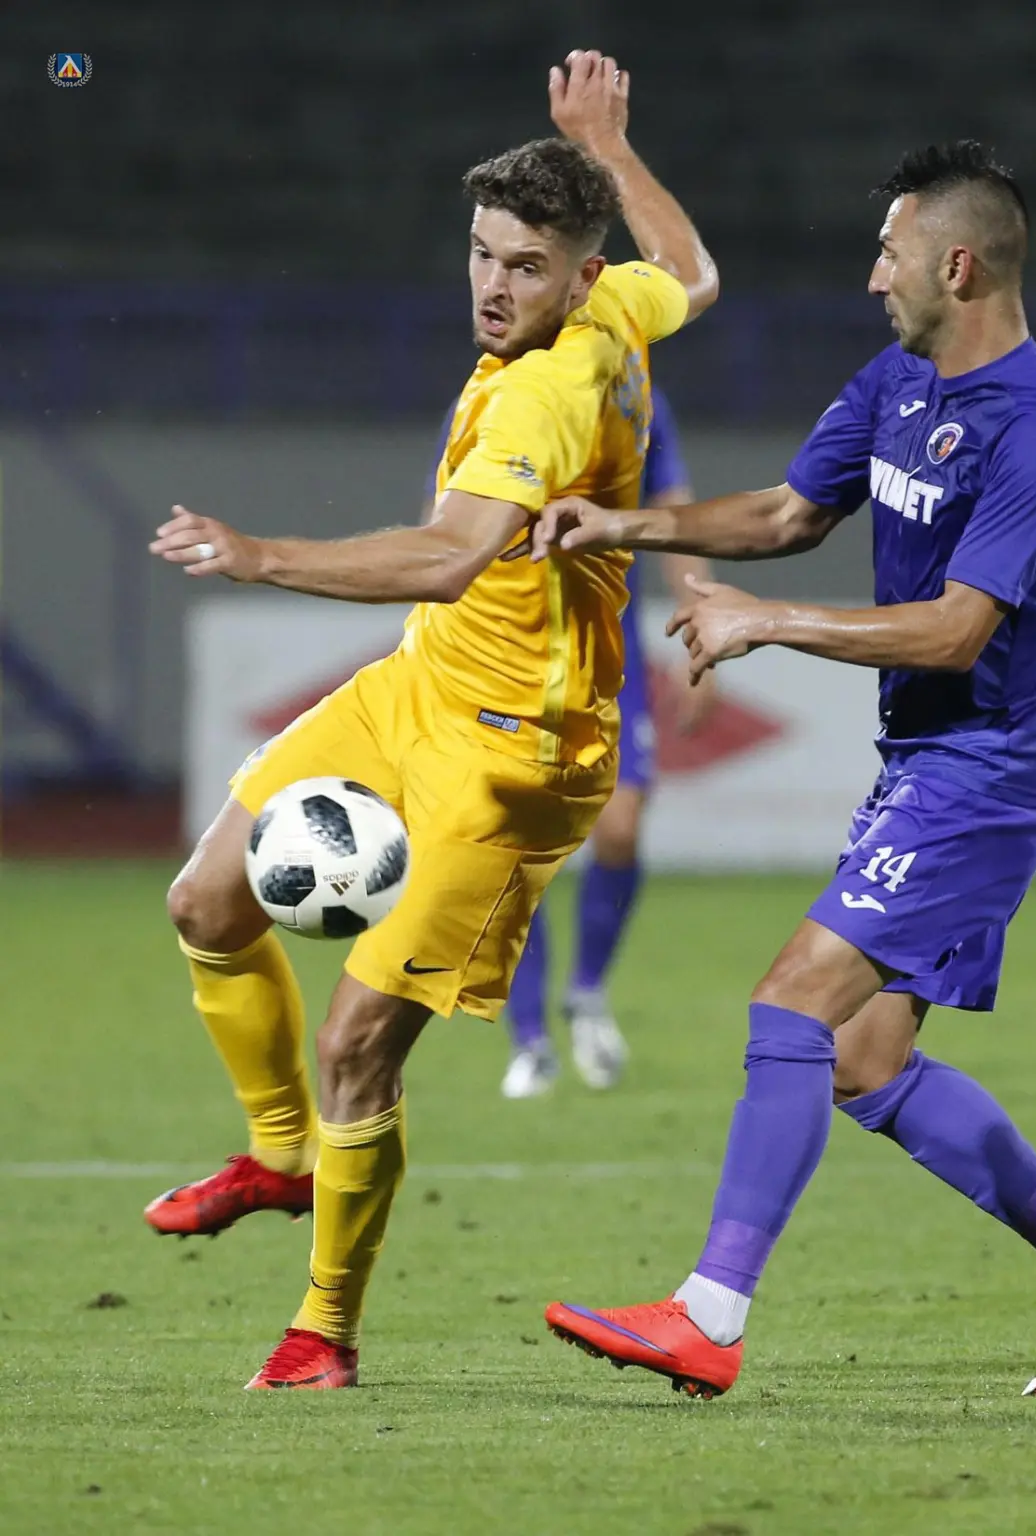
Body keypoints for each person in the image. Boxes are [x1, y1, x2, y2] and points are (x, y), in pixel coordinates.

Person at [536, 140, 1036, 1401]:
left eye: (889, 252)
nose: (873, 275)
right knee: (868, 1063)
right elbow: (788, 514)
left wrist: (767, 624)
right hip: (930, 763)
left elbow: (957, 631)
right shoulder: (899, 379)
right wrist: (623, 524)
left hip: (987, 774)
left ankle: (709, 1315)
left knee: (792, 1005)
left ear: (958, 264)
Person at [143, 50, 718, 1390]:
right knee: (205, 903)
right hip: (418, 688)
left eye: (525, 267)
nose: (492, 286)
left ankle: (321, 1333)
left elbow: (449, 554)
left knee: (357, 1044)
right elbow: (693, 274)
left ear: (577, 278)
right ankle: (280, 1157)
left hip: (514, 754)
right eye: (480, 255)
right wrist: (610, 148)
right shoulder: (618, 303)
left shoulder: (547, 390)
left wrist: (259, 554)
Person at [501, 386, 716, 1098]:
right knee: (517, 852)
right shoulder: (494, 394)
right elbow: (444, 524)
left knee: (620, 828)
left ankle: (586, 991)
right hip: (512, 663)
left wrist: (699, 621)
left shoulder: (635, 400)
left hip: (606, 661)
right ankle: (530, 1039)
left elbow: (676, 515)